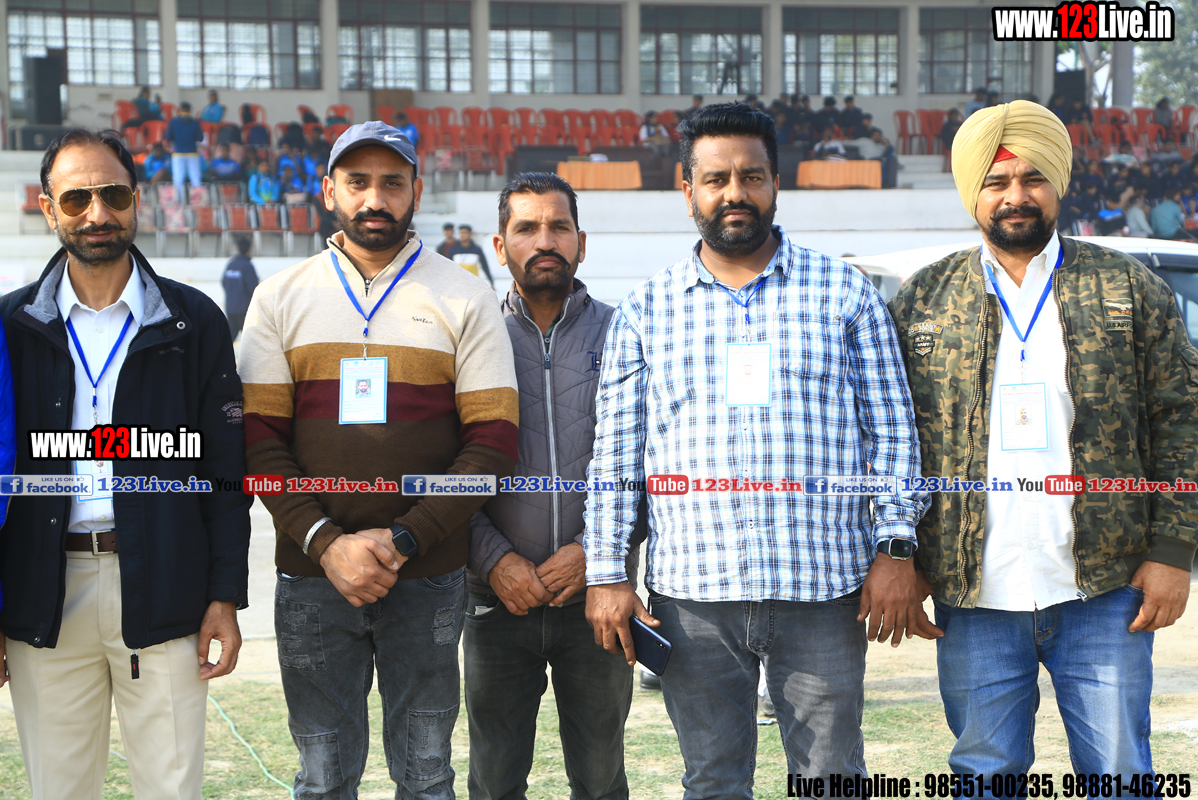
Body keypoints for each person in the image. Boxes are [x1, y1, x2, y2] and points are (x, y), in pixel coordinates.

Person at [585, 103, 933, 798]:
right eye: (715, 179)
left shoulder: (844, 294)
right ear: (687, 190)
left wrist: (896, 548)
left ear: (777, 182)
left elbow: (894, 434)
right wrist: (606, 571)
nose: (734, 193)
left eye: (750, 176)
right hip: (694, 596)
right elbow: (615, 458)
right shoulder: (647, 311)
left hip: (824, 589)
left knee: (832, 778)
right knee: (713, 782)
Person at [888, 99, 1198, 782]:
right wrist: (901, 557)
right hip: (974, 595)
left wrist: (1173, 552)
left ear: (1058, 183)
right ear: (973, 193)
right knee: (984, 773)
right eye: (997, 182)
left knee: (1119, 773)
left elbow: (1182, 420)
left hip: (1106, 587)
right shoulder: (925, 301)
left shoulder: (1125, 287)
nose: (1016, 196)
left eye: (1033, 178)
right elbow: (893, 439)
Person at [239, 121, 518, 799]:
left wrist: (403, 540)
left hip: (426, 577)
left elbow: (493, 444)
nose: (375, 198)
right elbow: (259, 443)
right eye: (358, 182)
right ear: (328, 191)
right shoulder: (279, 297)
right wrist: (326, 543)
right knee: (323, 778)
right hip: (312, 576)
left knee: (426, 775)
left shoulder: (465, 295)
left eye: (392, 183)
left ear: (415, 192)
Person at [0, 127, 250, 799]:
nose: (97, 213)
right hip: (42, 593)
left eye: (112, 195)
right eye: (75, 198)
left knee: (172, 788)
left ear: (137, 199)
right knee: (59, 790)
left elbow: (225, 472)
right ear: (47, 209)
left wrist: (225, 594)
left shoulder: (194, 320)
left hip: (166, 585)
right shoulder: (10, 326)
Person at [465, 172, 643, 800]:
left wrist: (596, 552)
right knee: (493, 781)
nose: (545, 240)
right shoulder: (471, 336)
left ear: (581, 243)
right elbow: (442, 466)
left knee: (600, 778)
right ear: (500, 245)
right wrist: (494, 559)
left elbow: (655, 463)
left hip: (596, 600)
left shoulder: (626, 333)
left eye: (558, 227)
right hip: (495, 601)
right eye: (527, 228)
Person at [165, 101, 204, 203]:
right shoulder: (195, 122)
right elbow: (200, 138)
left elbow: (168, 137)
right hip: (192, 153)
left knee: (178, 179)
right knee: (195, 179)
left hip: (178, 153)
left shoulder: (174, 122)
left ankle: (178, 203)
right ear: (189, 110)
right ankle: (198, 202)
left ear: (180, 110)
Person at [221, 235, 259, 340]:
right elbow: (253, 288)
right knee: (251, 340)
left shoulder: (231, 264)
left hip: (231, 308)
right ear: (250, 249)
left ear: (236, 248)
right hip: (244, 310)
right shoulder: (248, 266)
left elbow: (224, 282)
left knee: (228, 340)